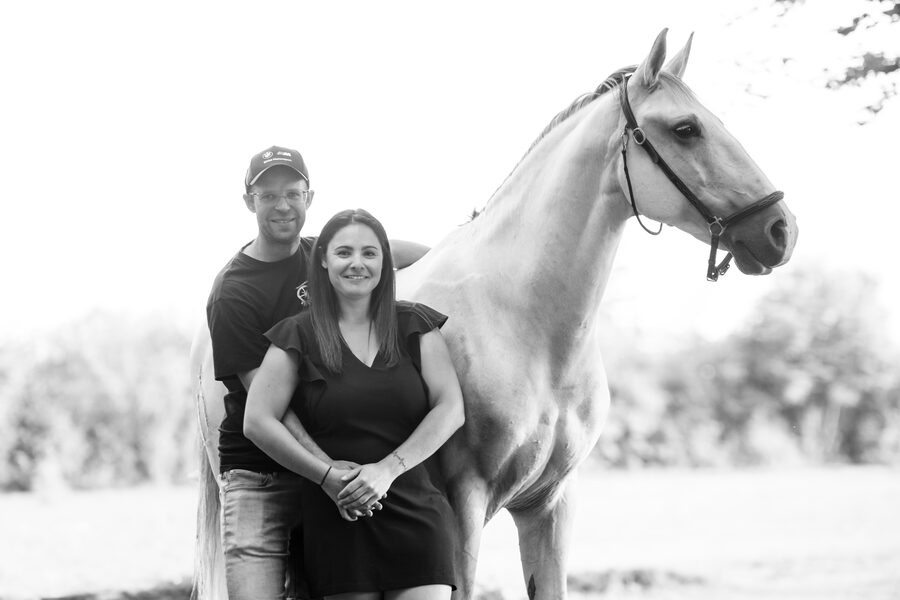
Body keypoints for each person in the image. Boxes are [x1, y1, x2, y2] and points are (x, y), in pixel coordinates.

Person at [206, 146, 429, 600]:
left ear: (310, 197)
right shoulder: (234, 292)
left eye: (293, 193)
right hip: (262, 477)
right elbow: (268, 405)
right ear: (249, 202)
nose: (282, 205)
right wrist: (327, 470)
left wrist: (458, 257)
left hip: (327, 481)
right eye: (268, 195)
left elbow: (393, 253)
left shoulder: (322, 257)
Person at [244, 208, 465, 600]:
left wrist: (386, 471)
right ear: (324, 259)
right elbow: (258, 420)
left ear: (385, 261)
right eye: (344, 252)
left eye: (369, 253)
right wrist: (326, 476)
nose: (357, 263)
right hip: (338, 515)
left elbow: (450, 408)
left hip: (416, 514)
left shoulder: (415, 324)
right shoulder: (297, 333)